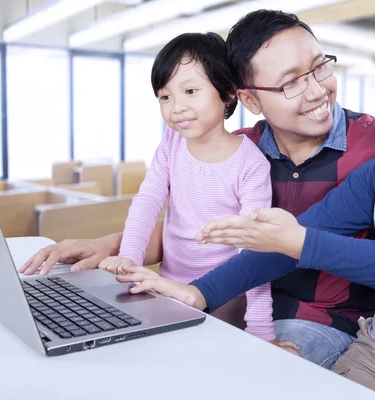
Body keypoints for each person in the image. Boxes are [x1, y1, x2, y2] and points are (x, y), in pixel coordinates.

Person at [20, 10, 375, 395]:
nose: (317, 89)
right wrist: (119, 249)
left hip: (331, 320)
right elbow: (200, 226)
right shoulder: (238, 152)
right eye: (292, 81)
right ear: (248, 99)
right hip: (268, 307)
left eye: (320, 67)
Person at [96, 32, 275, 341]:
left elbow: (255, 250)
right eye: (165, 97)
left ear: (228, 92)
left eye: (190, 91)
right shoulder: (171, 144)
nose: (175, 107)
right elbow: (147, 201)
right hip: (166, 287)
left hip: (224, 299)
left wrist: (262, 331)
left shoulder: (251, 163)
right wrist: (129, 258)